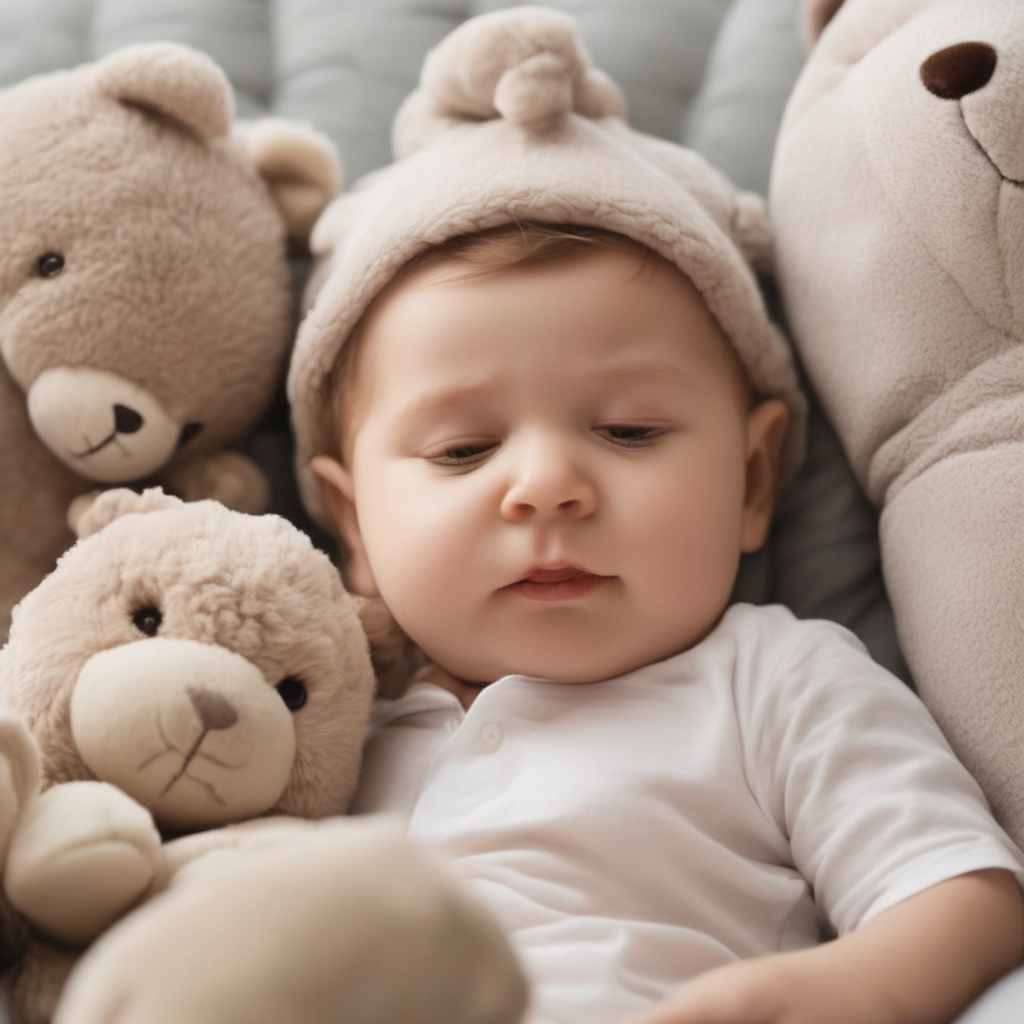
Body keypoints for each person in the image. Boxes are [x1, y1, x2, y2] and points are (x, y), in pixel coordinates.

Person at [286, 9, 1024, 1024]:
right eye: (463, 449)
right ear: (354, 525)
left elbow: (961, 894)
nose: (545, 486)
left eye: (629, 431)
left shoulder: (773, 683)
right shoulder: (318, 723)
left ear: (753, 479)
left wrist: (829, 986)